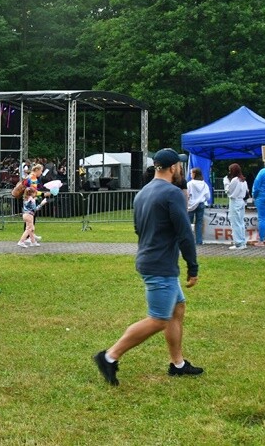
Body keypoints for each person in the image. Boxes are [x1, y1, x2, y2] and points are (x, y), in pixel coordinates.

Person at [93, 148, 202, 386]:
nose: (181, 169)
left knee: (177, 309)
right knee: (159, 319)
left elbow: (138, 228)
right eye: (179, 166)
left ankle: (178, 364)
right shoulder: (172, 193)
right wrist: (193, 267)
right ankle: (109, 356)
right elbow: (185, 233)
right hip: (160, 265)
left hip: (149, 258)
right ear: (173, 168)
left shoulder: (142, 193)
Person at [226, 163, 249, 250]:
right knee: (241, 222)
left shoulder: (235, 180)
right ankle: (242, 241)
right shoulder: (243, 180)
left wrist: (226, 183)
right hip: (241, 201)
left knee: (235, 223)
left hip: (235, 201)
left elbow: (229, 191)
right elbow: (247, 192)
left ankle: (238, 243)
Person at [186, 167, 210, 246]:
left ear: (194, 174)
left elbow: (187, 194)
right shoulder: (204, 184)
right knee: (199, 223)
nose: (190, 175)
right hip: (201, 204)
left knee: (188, 223)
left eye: (191, 173)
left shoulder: (190, 184)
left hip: (191, 204)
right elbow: (208, 196)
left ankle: (189, 240)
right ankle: (199, 240)